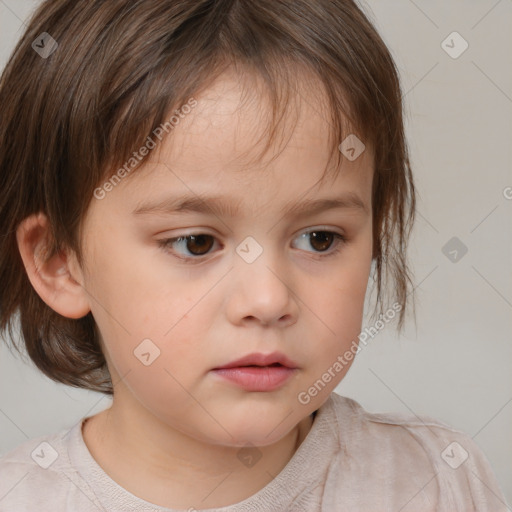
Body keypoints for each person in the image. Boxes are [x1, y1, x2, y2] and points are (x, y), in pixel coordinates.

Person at [0, 0, 508, 510]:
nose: (268, 300)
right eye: (196, 243)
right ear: (59, 262)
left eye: (319, 239)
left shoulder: (435, 483)